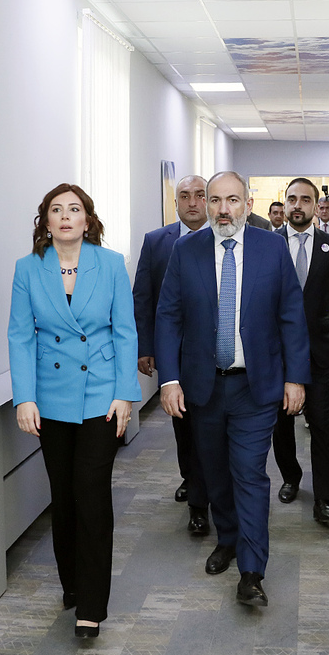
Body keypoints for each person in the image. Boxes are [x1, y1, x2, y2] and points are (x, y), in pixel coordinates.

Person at [155, 171, 310, 608]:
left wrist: (295, 378)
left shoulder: (271, 248)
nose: (224, 210)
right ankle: (227, 538)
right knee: (215, 473)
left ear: (248, 204)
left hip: (255, 387)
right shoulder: (186, 250)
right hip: (203, 386)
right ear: (207, 204)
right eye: (216, 200)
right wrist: (169, 380)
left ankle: (252, 570)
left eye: (233, 200)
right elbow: (168, 316)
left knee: (249, 472)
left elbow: (291, 314)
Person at [7, 183, 141, 639]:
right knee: (63, 497)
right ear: (46, 221)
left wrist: (125, 393)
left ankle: (92, 605)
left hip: (101, 394)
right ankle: (72, 583)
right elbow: (20, 336)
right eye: (57, 209)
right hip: (50, 396)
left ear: (88, 220)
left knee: (92, 492)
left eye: (74, 209)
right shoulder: (28, 269)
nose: (66, 216)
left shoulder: (111, 263)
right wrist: (24, 397)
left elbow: (125, 331)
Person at [133, 175, 211, 537]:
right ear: (175, 201)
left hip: (217, 352)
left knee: (212, 428)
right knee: (185, 425)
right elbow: (144, 296)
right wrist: (145, 347)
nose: (192, 202)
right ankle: (193, 484)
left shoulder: (226, 238)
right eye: (184, 196)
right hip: (176, 353)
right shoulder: (156, 241)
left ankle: (207, 487)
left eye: (200, 195)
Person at [271, 178, 329, 523]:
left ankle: (324, 497)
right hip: (277, 352)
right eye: (292, 199)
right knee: (281, 423)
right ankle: (291, 477)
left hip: (319, 351)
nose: (297, 205)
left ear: (316, 206)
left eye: (305, 199)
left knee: (321, 423)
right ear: (284, 204)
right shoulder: (268, 244)